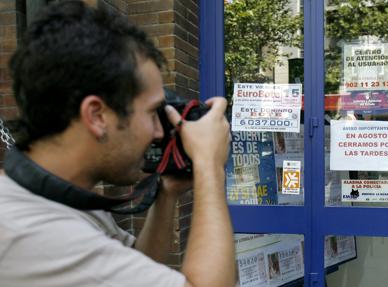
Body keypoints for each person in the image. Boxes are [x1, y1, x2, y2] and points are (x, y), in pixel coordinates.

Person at [0, 1, 235, 287]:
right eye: (152, 113)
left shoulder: (56, 199)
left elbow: (135, 268)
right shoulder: (32, 231)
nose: (160, 132)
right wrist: (210, 165)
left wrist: (166, 195)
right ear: (97, 115)